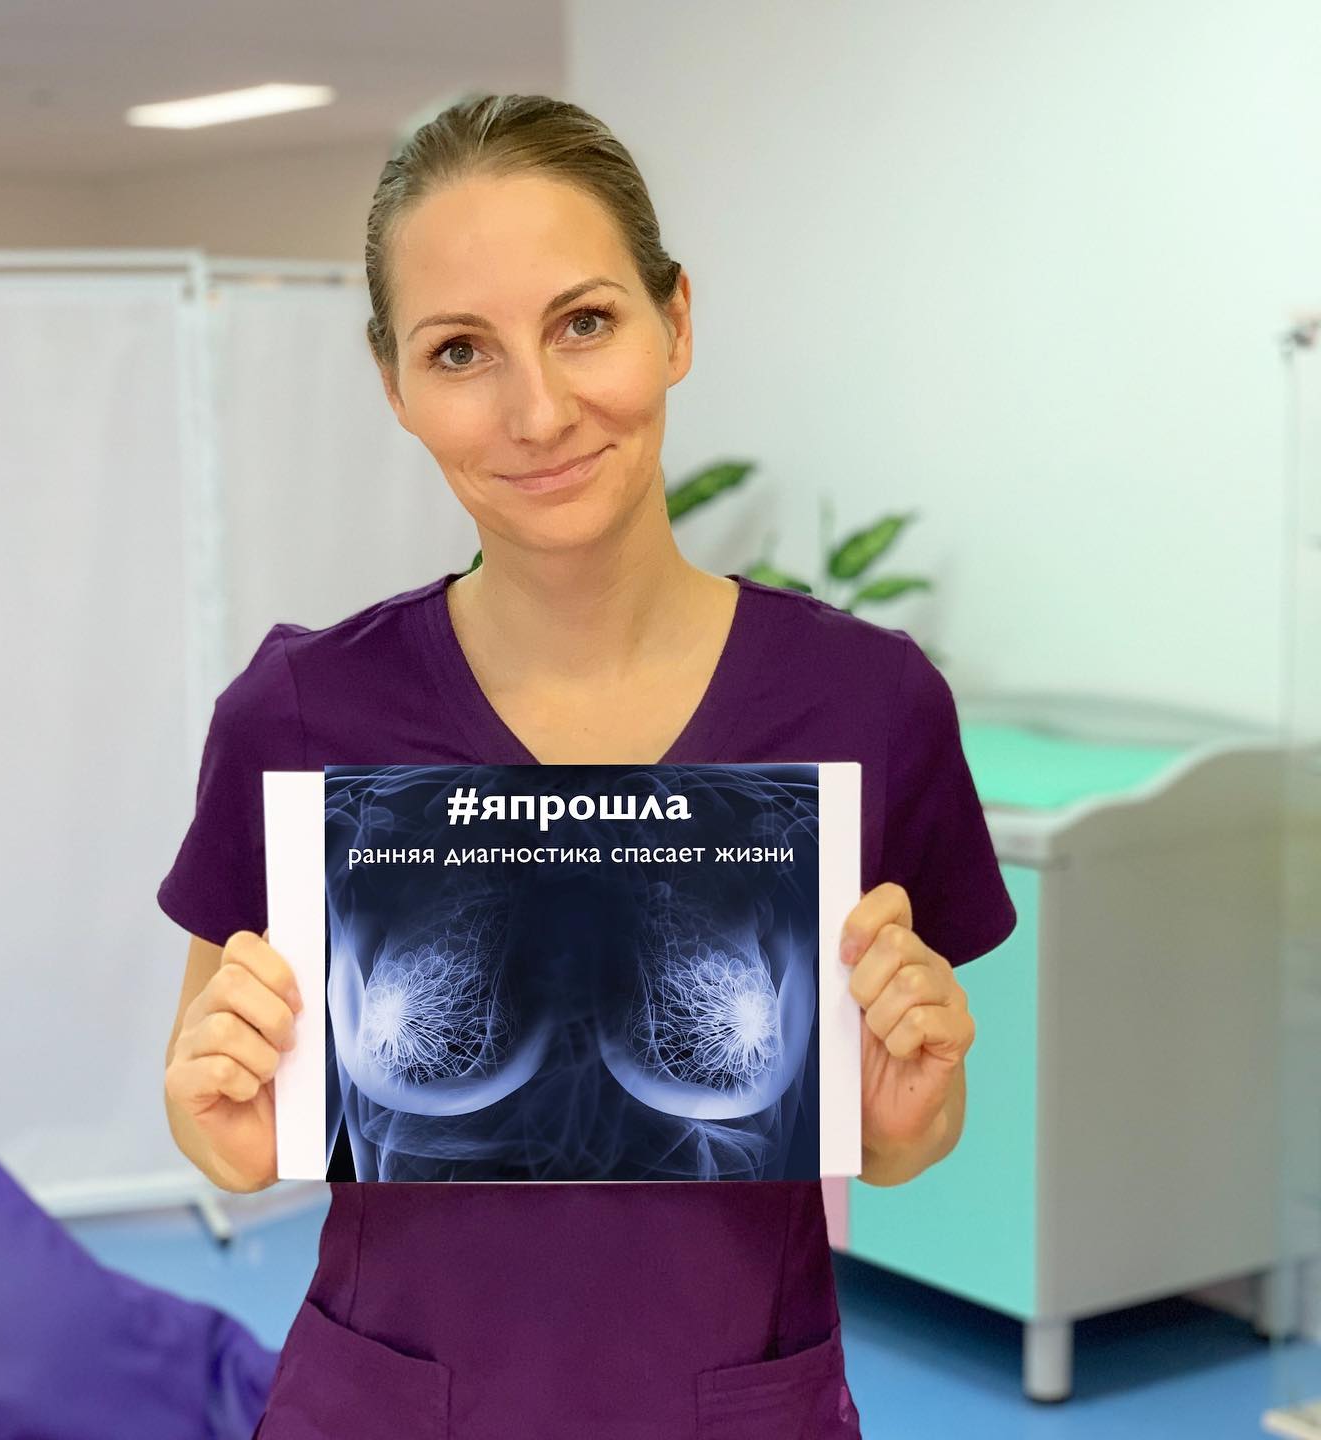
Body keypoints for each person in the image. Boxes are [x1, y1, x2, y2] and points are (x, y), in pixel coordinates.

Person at [159, 92, 1017, 1440]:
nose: (539, 409)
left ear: (676, 321)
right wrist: (223, 1122)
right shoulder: (304, 715)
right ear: (394, 384)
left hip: (735, 1407)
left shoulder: (867, 705)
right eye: (460, 350)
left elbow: (907, 1133)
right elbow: (226, 1122)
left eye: (585, 323)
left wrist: (910, 1107)